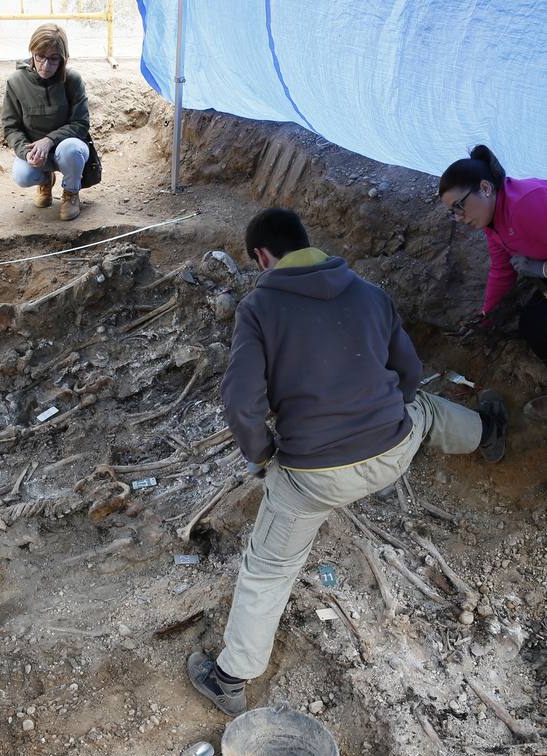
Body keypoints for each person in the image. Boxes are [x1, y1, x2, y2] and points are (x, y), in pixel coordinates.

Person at [187, 208, 508, 716]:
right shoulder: (368, 291)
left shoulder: (259, 308)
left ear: (263, 257)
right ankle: (489, 432)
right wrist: (382, 415)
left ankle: (229, 679)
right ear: (306, 242)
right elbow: (409, 371)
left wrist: (263, 454)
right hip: (394, 450)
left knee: (269, 567)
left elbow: (241, 404)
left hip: (314, 480)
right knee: (423, 407)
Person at [439, 146, 547, 420]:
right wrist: (485, 321)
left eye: (459, 207)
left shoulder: (527, 206)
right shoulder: (493, 222)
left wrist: (539, 268)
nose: (460, 219)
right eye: (453, 213)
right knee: (534, 324)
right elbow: (501, 271)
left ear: (485, 188)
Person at [2, 24, 91, 222]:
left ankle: (71, 193)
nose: (45, 65)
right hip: (36, 151)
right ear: (32, 53)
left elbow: (81, 124)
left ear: (63, 59)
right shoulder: (16, 81)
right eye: (40, 57)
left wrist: (50, 140)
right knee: (22, 174)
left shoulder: (72, 80)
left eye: (53, 59)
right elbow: (11, 127)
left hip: (66, 148)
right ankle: (44, 181)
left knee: (72, 149)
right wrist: (27, 153)